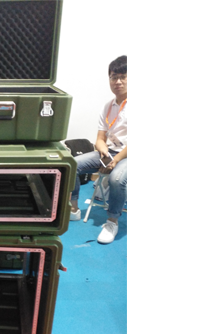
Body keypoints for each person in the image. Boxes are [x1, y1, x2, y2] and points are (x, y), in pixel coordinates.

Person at [70, 55, 127, 244]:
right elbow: (100, 138)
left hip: (127, 156)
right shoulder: (108, 106)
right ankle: (74, 209)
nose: (118, 81)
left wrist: (116, 160)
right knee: (72, 164)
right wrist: (103, 152)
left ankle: (112, 222)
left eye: (123, 77)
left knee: (116, 179)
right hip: (110, 152)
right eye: (114, 77)